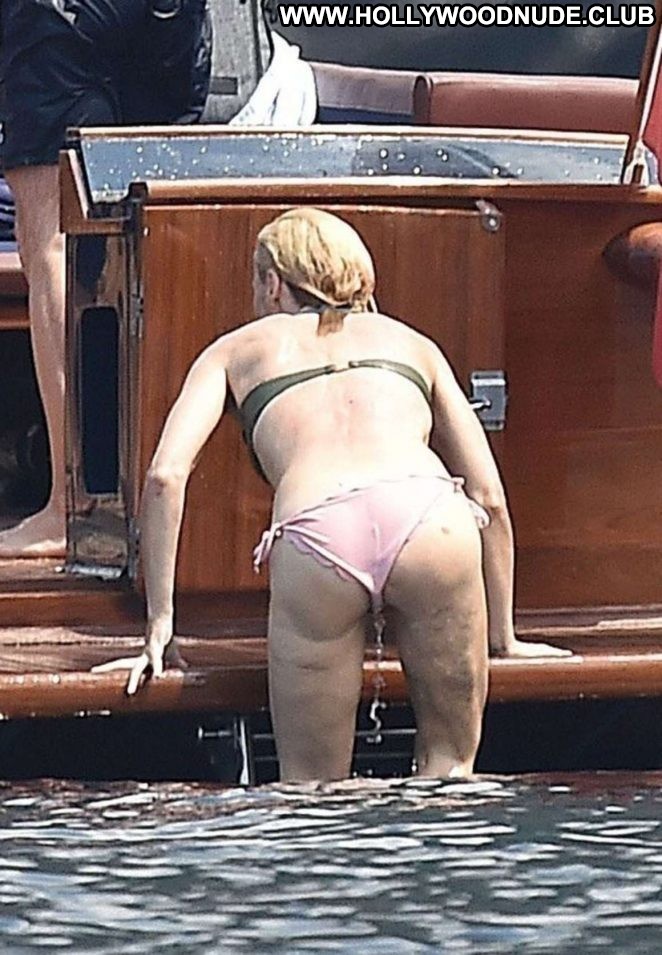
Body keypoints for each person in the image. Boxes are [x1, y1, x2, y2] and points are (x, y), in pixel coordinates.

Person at [94, 207, 569, 782]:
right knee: (451, 774)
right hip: (429, 516)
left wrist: (160, 625)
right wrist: (504, 637)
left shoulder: (233, 351)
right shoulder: (414, 344)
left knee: (312, 793)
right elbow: (488, 497)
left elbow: (166, 476)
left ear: (273, 282)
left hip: (320, 529)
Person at [0, 0, 211, 557]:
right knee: (155, 223)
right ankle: (164, 503)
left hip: (60, 19)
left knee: (53, 239)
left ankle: (75, 509)